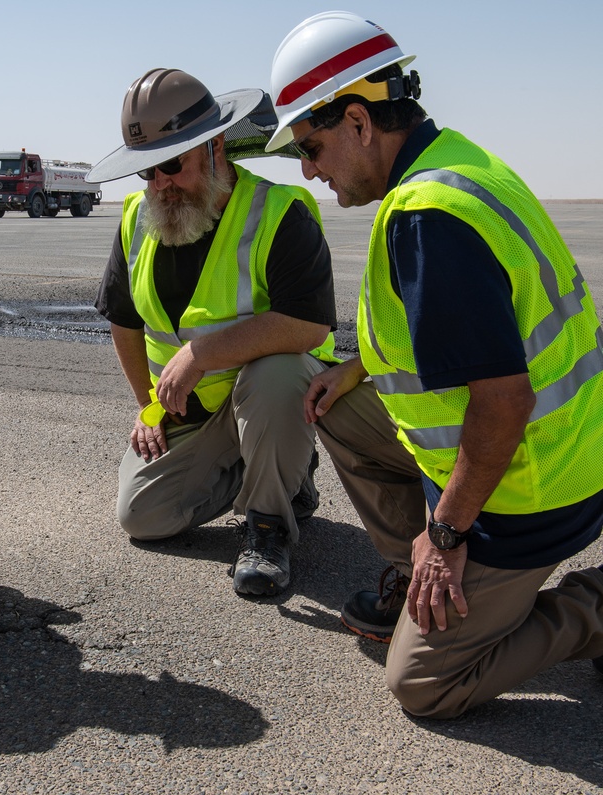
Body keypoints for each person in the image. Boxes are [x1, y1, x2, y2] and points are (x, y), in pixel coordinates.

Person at [264, 11, 603, 718]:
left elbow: (502, 401)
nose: (308, 170)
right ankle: (422, 578)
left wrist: (446, 533)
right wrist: (355, 368)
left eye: (312, 146)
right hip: (559, 447)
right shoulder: (452, 162)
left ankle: (588, 606)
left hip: (532, 488)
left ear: (359, 121)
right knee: (335, 407)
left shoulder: (428, 217)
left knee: (422, 684)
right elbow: (457, 337)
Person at [87, 68, 339, 598]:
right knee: (144, 517)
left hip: (269, 398)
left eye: (172, 165)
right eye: (146, 172)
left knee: (279, 371)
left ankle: (268, 526)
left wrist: (202, 353)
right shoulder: (137, 218)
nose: (159, 184)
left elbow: (310, 324)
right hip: (193, 412)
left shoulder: (280, 213)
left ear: (215, 146)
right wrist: (147, 406)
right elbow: (125, 322)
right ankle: (270, 469)